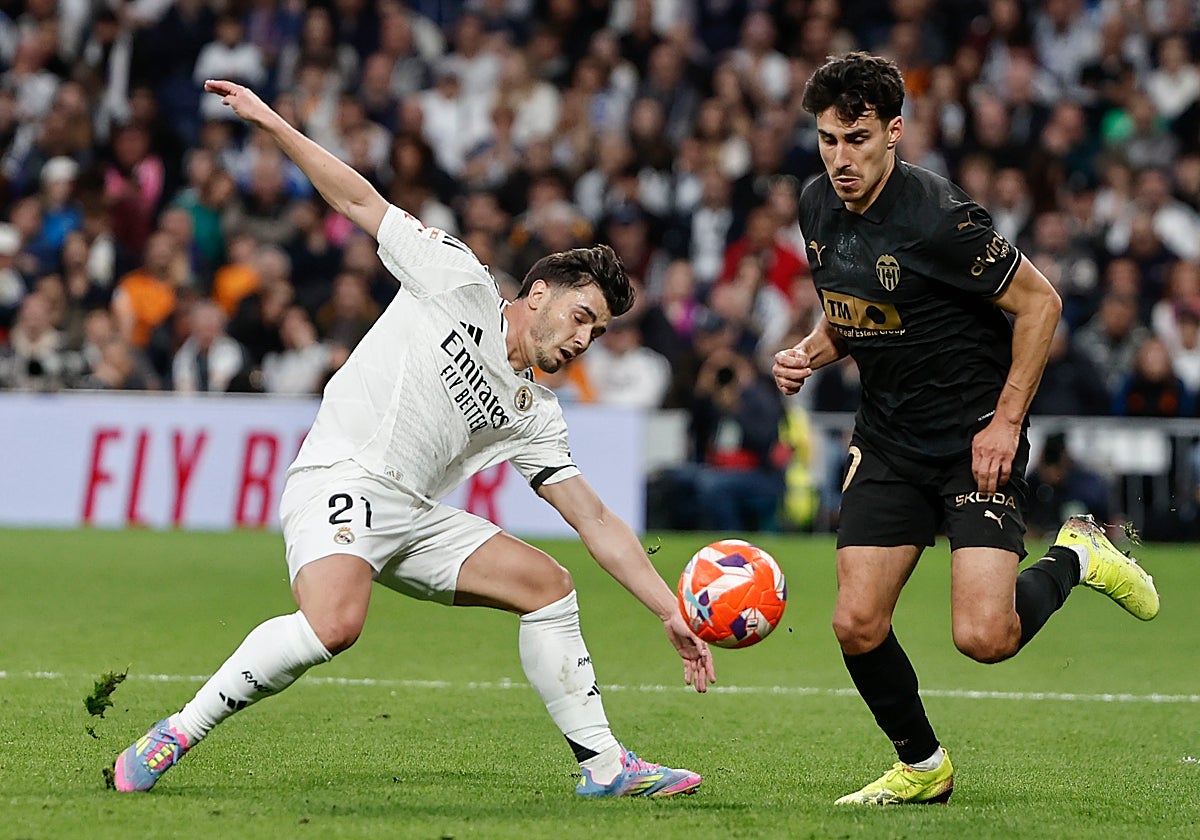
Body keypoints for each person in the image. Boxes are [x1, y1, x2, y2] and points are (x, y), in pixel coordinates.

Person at [112, 79, 713, 799]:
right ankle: (176, 731)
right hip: (341, 473)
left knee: (550, 589)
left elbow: (595, 520)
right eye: (582, 316)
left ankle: (607, 769)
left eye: (599, 331)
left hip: (410, 517)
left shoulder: (534, 410)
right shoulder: (455, 279)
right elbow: (360, 200)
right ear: (540, 294)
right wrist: (273, 123)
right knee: (336, 625)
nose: (585, 338)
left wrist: (669, 609)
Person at [772, 53, 1160, 807]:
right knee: (855, 621)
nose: (840, 158)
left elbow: (1040, 304)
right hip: (887, 438)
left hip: (972, 440)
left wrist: (1006, 424)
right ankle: (922, 767)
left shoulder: (940, 216)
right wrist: (811, 353)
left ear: (894, 133)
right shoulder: (816, 204)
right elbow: (854, 309)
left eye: (856, 139)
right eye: (827, 140)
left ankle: (1079, 556)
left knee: (986, 639)